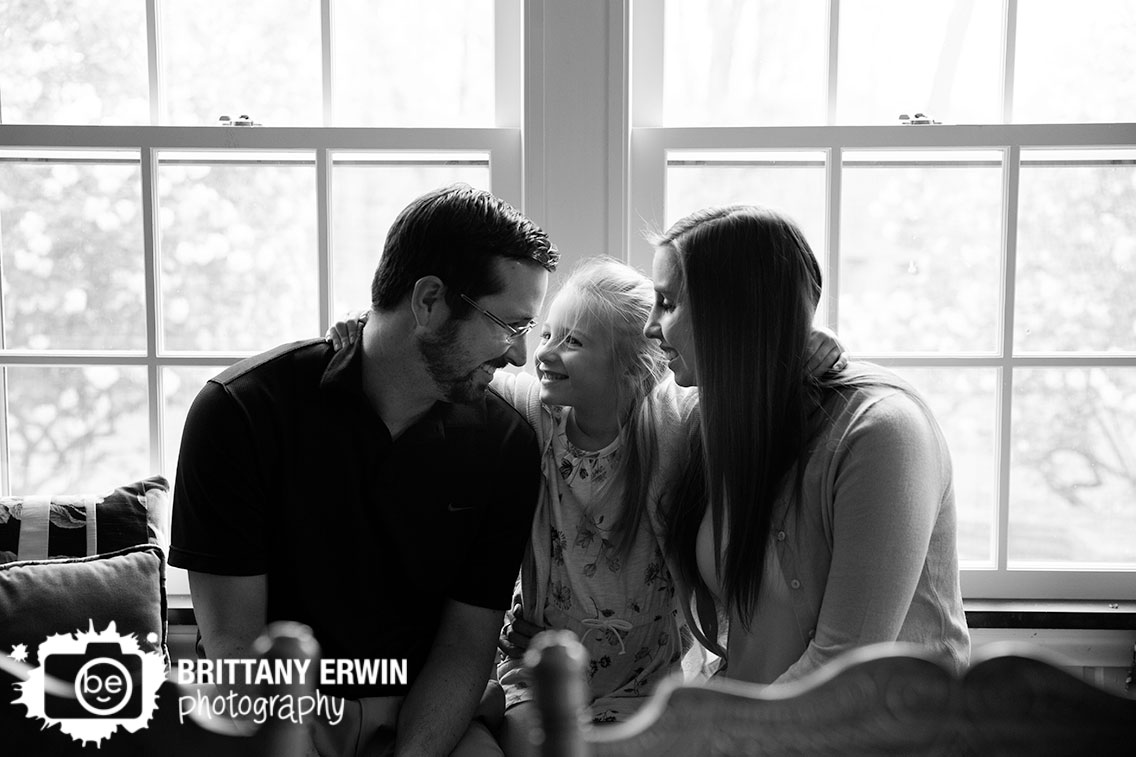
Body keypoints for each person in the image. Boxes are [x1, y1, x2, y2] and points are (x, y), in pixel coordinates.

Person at [326, 257, 846, 756]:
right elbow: (450, 363)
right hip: (537, 674)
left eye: (572, 342)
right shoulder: (537, 414)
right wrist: (370, 327)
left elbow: (749, 388)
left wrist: (801, 352)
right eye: (547, 334)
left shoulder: (675, 422)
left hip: (645, 683)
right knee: (535, 744)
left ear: (633, 365)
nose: (543, 352)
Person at [170, 183, 558, 757]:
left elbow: (466, 644)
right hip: (273, 710)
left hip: (428, 714)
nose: (518, 356)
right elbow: (235, 646)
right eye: (510, 325)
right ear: (429, 302)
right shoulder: (240, 412)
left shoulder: (506, 442)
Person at [644, 205, 970, 686]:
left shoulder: (883, 435)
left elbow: (843, 671)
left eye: (668, 303)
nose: (651, 326)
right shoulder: (711, 414)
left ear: (733, 313)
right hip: (757, 725)